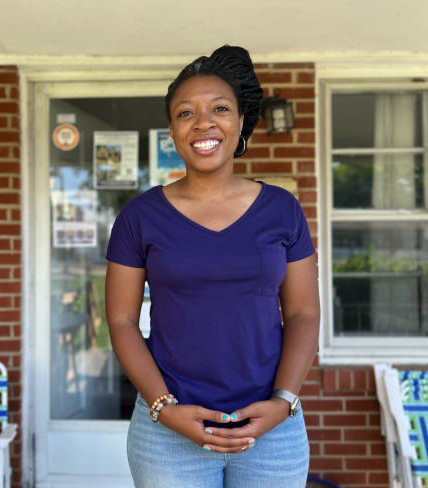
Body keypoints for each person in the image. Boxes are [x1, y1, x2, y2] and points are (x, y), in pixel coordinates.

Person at [105, 45, 320, 488]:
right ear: (171, 130)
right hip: (168, 430)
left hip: (270, 430)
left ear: (241, 121)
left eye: (219, 108)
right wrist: (164, 409)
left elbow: (304, 313)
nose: (204, 123)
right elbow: (122, 320)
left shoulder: (282, 209)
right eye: (186, 113)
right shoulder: (139, 217)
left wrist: (283, 402)